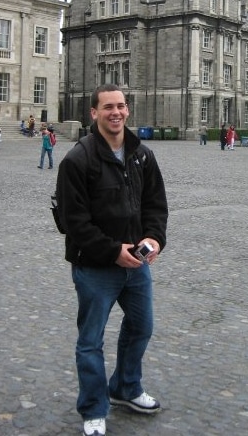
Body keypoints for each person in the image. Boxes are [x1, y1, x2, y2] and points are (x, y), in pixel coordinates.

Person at [56, 84, 168, 436]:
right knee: (90, 341)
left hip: (136, 264)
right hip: (95, 268)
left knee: (141, 327)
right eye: (108, 107)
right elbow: (75, 223)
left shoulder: (142, 155)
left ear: (128, 110)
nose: (116, 112)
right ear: (94, 113)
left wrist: (154, 237)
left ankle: (125, 387)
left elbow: (155, 205)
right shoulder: (78, 159)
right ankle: (93, 407)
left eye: (120, 106)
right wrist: (111, 251)